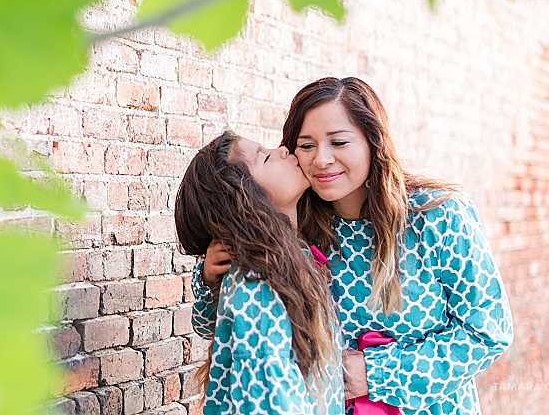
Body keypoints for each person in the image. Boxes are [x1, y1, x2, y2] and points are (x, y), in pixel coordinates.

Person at [192, 77, 513, 414]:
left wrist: (376, 374)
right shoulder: (291, 229)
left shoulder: (438, 215)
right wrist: (210, 279)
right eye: (307, 145)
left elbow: (488, 332)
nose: (322, 159)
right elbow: (221, 327)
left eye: (339, 142)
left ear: (373, 142)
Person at [175, 130, 344, 414]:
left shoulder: (295, 256)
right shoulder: (258, 284)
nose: (281, 150)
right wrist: (205, 280)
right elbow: (269, 403)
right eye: (265, 157)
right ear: (246, 198)